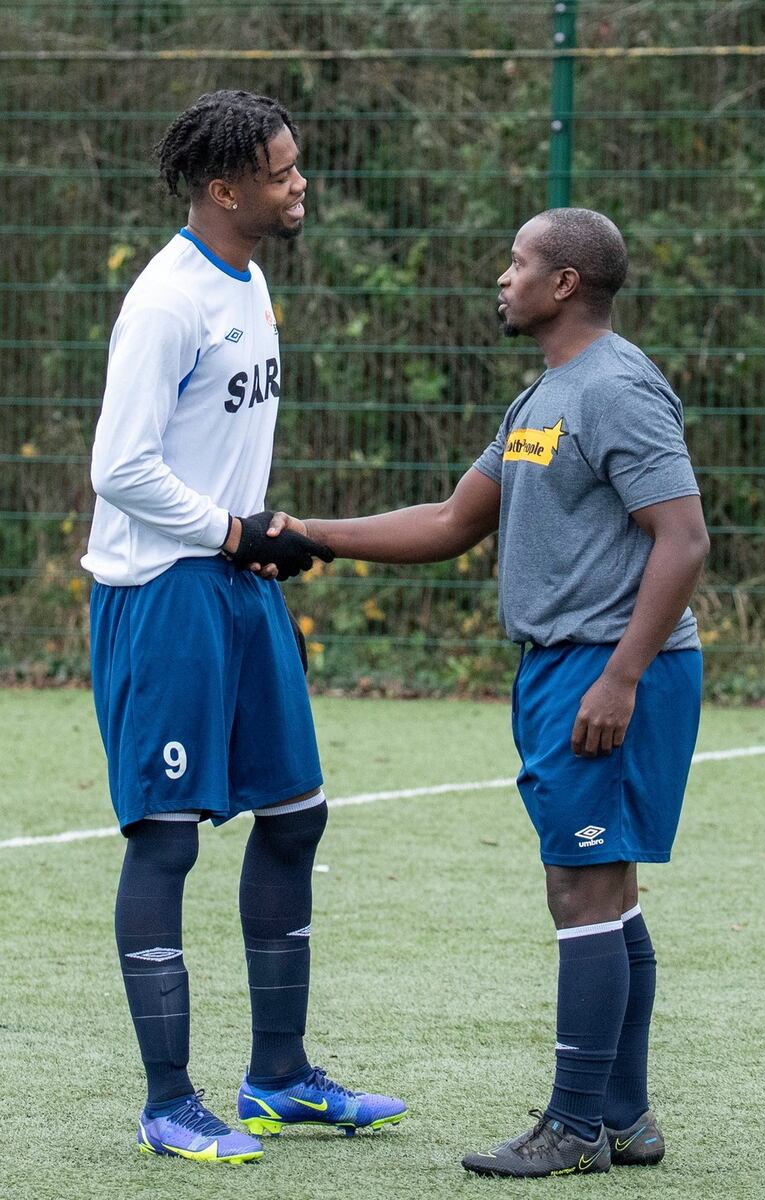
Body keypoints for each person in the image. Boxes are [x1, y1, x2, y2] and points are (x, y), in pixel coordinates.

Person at [262, 208, 709, 1179]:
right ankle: (622, 1118)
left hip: (608, 666)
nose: (499, 277)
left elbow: (681, 538)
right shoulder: (539, 400)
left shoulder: (617, 388)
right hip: (563, 667)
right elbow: (451, 519)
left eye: (516, 262)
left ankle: (573, 1124)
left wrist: (620, 677)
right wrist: (313, 534)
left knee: (581, 888)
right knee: (608, 890)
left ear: (561, 284)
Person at [82, 89, 407, 1164]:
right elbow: (118, 470)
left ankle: (277, 1079)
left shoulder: (251, 277)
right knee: (166, 840)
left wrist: (251, 537)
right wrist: (231, 529)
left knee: (296, 814)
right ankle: (168, 1102)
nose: (297, 182)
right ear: (224, 190)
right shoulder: (166, 301)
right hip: (165, 593)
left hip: (235, 584)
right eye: (279, 171)